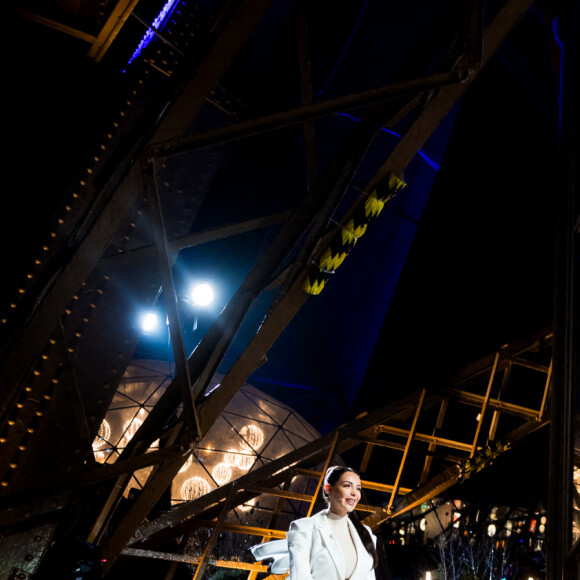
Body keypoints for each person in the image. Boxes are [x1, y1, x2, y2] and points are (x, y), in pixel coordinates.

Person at [286, 465, 378, 580]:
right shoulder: (304, 529)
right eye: (347, 486)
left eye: (358, 488)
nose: (355, 493)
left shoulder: (365, 532)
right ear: (328, 489)